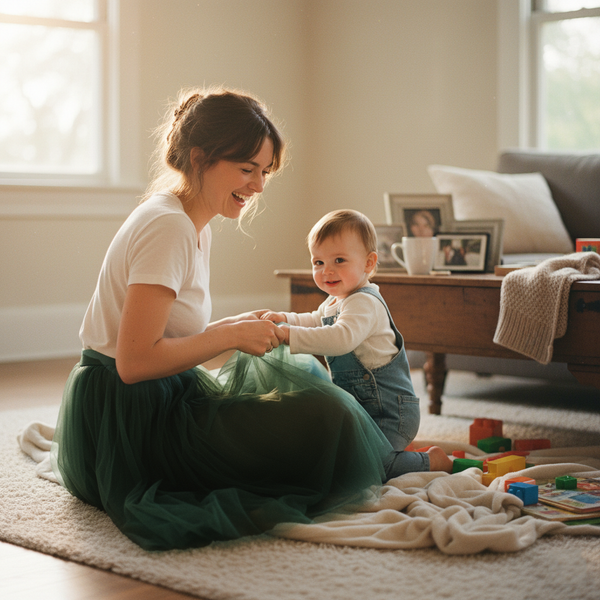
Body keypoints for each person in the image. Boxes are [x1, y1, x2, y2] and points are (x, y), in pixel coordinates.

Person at [50, 87, 394, 551]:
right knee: (322, 415)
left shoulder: (190, 221)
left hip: (150, 399)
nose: (258, 185)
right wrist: (229, 335)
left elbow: (165, 335)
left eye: (265, 171)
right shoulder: (168, 226)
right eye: (247, 168)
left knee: (309, 400)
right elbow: (133, 362)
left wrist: (233, 326)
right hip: (130, 420)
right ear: (200, 158)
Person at [260, 210, 453, 478]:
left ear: (368, 263)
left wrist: (289, 334)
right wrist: (286, 318)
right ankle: (394, 452)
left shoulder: (364, 302)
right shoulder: (335, 301)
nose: (326, 270)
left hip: (390, 413)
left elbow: (341, 338)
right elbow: (316, 320)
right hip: (361, 411)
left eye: (339, 260)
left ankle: (432, 461)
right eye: (318, 262)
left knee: (371, 467)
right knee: (337, 457)